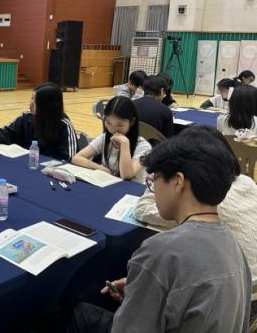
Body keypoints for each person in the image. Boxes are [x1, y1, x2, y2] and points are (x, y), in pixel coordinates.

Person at [63, 127, 252, 333]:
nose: (153, 189)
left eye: (154, 181)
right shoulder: (234, 247)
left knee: (74, 314)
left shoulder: (160, 251)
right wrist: (146, 289)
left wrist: (145, 285)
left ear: (178, 182)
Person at [134, 126, 257, 277]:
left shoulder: (203, 201)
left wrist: (160, 176)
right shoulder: (246, 182)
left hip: (235, 281)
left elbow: (144, 210)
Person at [0, 82, 77, 160]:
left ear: (48, 106)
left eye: (35, 101)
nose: (30, 104)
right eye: (31, 98)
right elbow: (6, 132)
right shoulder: (26, 116)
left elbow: (68, 158)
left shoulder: (64, 125)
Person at [72, 96, 151, 181]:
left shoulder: (143, 146)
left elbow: (126, 176)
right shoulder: (105, 137)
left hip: (134, 188)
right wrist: (99, 167)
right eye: (108, 123)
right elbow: (76, 158)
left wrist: (124, 143)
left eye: (119, 125)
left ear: (132, 121)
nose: (113, 129)